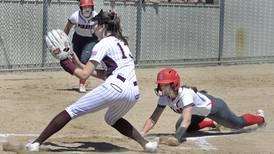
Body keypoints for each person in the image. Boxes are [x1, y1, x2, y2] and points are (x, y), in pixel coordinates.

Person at [25, 10, 158, 152]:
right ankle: (146, 144)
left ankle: (36, 143)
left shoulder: (102, 43)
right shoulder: (122, 43)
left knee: (71, 110)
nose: (93, 26)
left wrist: (65, 63)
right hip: (133, 93)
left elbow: (83, 75)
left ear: (103, 26)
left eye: (95, 23)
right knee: (111, 119)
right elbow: (104, 73)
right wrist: (75, 60)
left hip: (115, 88)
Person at [140, 68, 266, 143]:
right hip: (197, 111)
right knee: (180, 126)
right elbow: (153, 118)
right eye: (161, 85)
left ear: (174, 84)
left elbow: (187, 120)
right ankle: (212, 124)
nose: (163, 88)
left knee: (237, 124)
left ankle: (260, 118)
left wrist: (177, 138)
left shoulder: (185, 95)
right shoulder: (164, 97)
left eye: (166, 85)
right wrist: (141, 134)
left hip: (214, 108)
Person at [64, 0, 98, 93]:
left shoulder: (96, 16)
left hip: (90, 39)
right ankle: (83, 78)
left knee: (84, 60)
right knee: (75, 60)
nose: (87, 9)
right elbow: (67, 28)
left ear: (92, 8)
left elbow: (101, 29)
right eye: (84, 7)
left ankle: (82, 83)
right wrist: (63, 41)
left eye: (89, 7)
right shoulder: (75, 16)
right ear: (81, 8)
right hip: (78, 38)